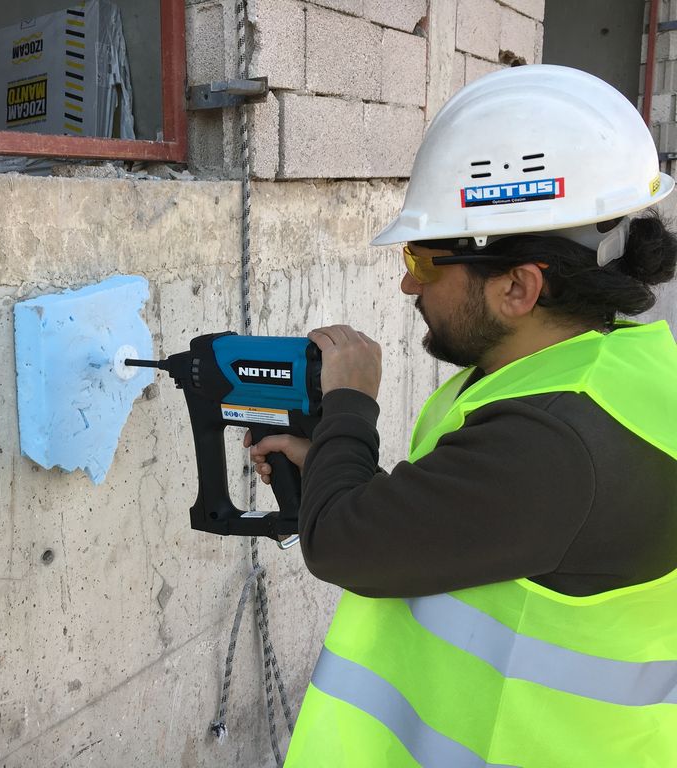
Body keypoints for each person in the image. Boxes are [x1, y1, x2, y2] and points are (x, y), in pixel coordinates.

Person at [247, 65, 677, 767]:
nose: (406, 282)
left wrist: (351, 401)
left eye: (422, 259)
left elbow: (340, 544)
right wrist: (332, 460)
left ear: (518, 287)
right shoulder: (605, 370)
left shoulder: (555, 442)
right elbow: (483, 511)